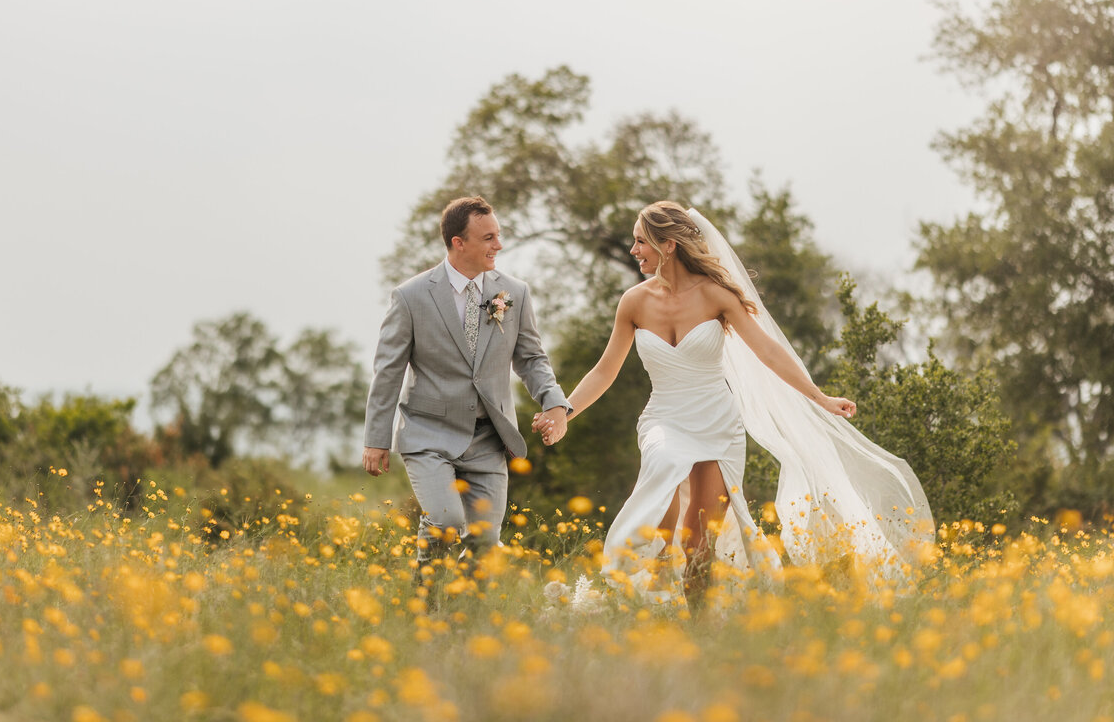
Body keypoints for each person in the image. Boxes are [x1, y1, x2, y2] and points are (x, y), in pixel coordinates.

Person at [534, 201, 932, 605]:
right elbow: (604, 371)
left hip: (718, 424)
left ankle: (701, 624)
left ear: (668, 245)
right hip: (663, 420)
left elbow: (769, 352)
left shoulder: (717, 296)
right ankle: (644, 589)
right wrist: (564, 412)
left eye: (640, 241)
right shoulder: (634, 302)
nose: (634, 250)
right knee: (665, 463)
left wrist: (820, 398)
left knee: (699, 539)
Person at [363, 196, 571, 585]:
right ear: (459, 242)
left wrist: (554, 401)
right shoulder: (410, 296)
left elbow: (531, 359)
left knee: (485, 542)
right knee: (444, 521)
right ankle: (428, 604)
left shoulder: (515, 293)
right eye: (488, 237)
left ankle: (464, 622)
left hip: (489, 438)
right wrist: (376, 438)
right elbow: (388, 371)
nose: (499, 246)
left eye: (498, 236)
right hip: (428, 433)